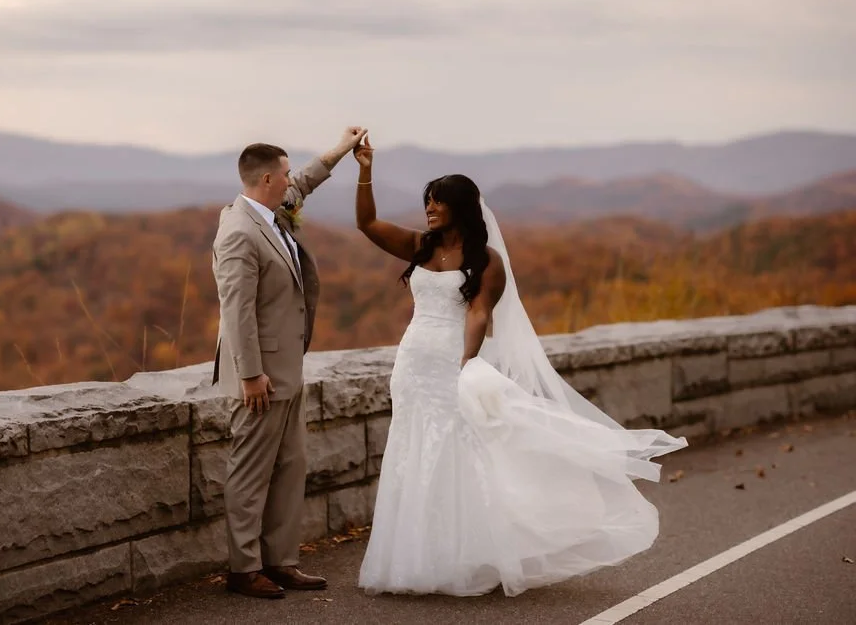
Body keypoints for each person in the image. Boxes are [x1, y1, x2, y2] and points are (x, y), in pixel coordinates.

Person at [351, 134, 688, 597]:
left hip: (454, 363)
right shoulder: (420, 247)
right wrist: (365, 170)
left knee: (459, 451)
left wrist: (467, 362)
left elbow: (478, 313)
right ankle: (416, 558)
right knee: (414, 449)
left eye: (438, 203)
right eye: (427, 201)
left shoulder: (486, 262)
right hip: (412, 367)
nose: (429, 209)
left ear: (461, 208)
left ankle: (469, 556)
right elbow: (366, 222)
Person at [212, 126, 367, 599]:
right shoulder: (239, 230)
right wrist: (249, 374)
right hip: (260, 376)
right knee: (250, 470)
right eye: (283, 174)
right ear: (264, 179)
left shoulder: (271, 211)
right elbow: (235, 309)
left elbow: (306, 181)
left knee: (289, 466)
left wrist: (342, 150)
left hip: (289, 369)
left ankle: (281, 561)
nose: (290, 180)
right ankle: (243, 569)